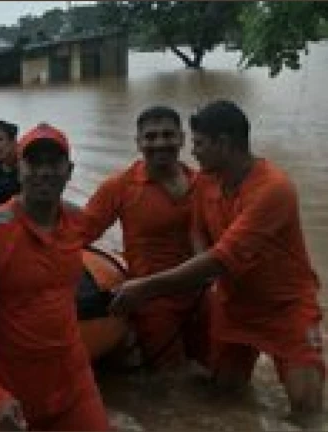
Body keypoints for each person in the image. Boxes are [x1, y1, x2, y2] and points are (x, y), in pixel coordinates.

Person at [109, 100, 324, 426]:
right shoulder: (208, 181)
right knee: (225, 397)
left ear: (223, 144)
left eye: (198, 144)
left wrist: (146, 288)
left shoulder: (274, 189)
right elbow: (199, 232)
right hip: (234, 302)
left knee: (307, 409)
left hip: (286, 305)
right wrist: (198, 266)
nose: (191, 152)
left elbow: (221, 259)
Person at [0, 123, 110, 431]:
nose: (44, 172)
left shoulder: (78, 222)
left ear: (70, 170)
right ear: (17, 168)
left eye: (54, 163)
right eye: (34, 163)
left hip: (72, 383)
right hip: (10, 387)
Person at [82, 106, 209, 370]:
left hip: (202, 297)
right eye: (151, 137)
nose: (160, 143)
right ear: (138, 142)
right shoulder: (119, 187)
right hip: (153, 301)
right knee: (171, 382)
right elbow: (78, 234)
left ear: (182, 139)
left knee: (213, 373)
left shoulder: (204, 183)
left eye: (168, 135)